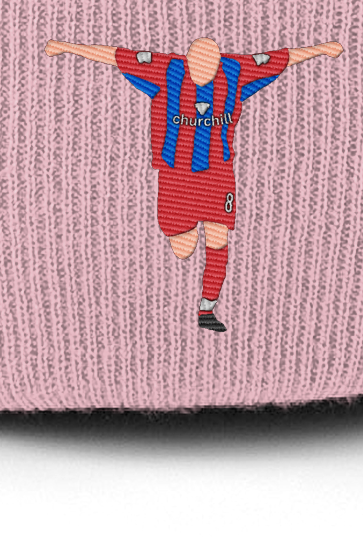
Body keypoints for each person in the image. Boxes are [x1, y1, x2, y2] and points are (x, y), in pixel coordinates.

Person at [45, 35, 343, 331]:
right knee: (183, 249)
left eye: (210, 67)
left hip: (217, 174)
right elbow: (114, 55)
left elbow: (281, 57)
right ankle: (184, 240)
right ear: (187, 61)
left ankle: (207, 309)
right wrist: (68, 47)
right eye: (197, 67)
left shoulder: (236, 71)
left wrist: (321, 49)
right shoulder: (165, 70)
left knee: (218, 238)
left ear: (218, 62)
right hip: (177, 179)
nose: (204, 74)